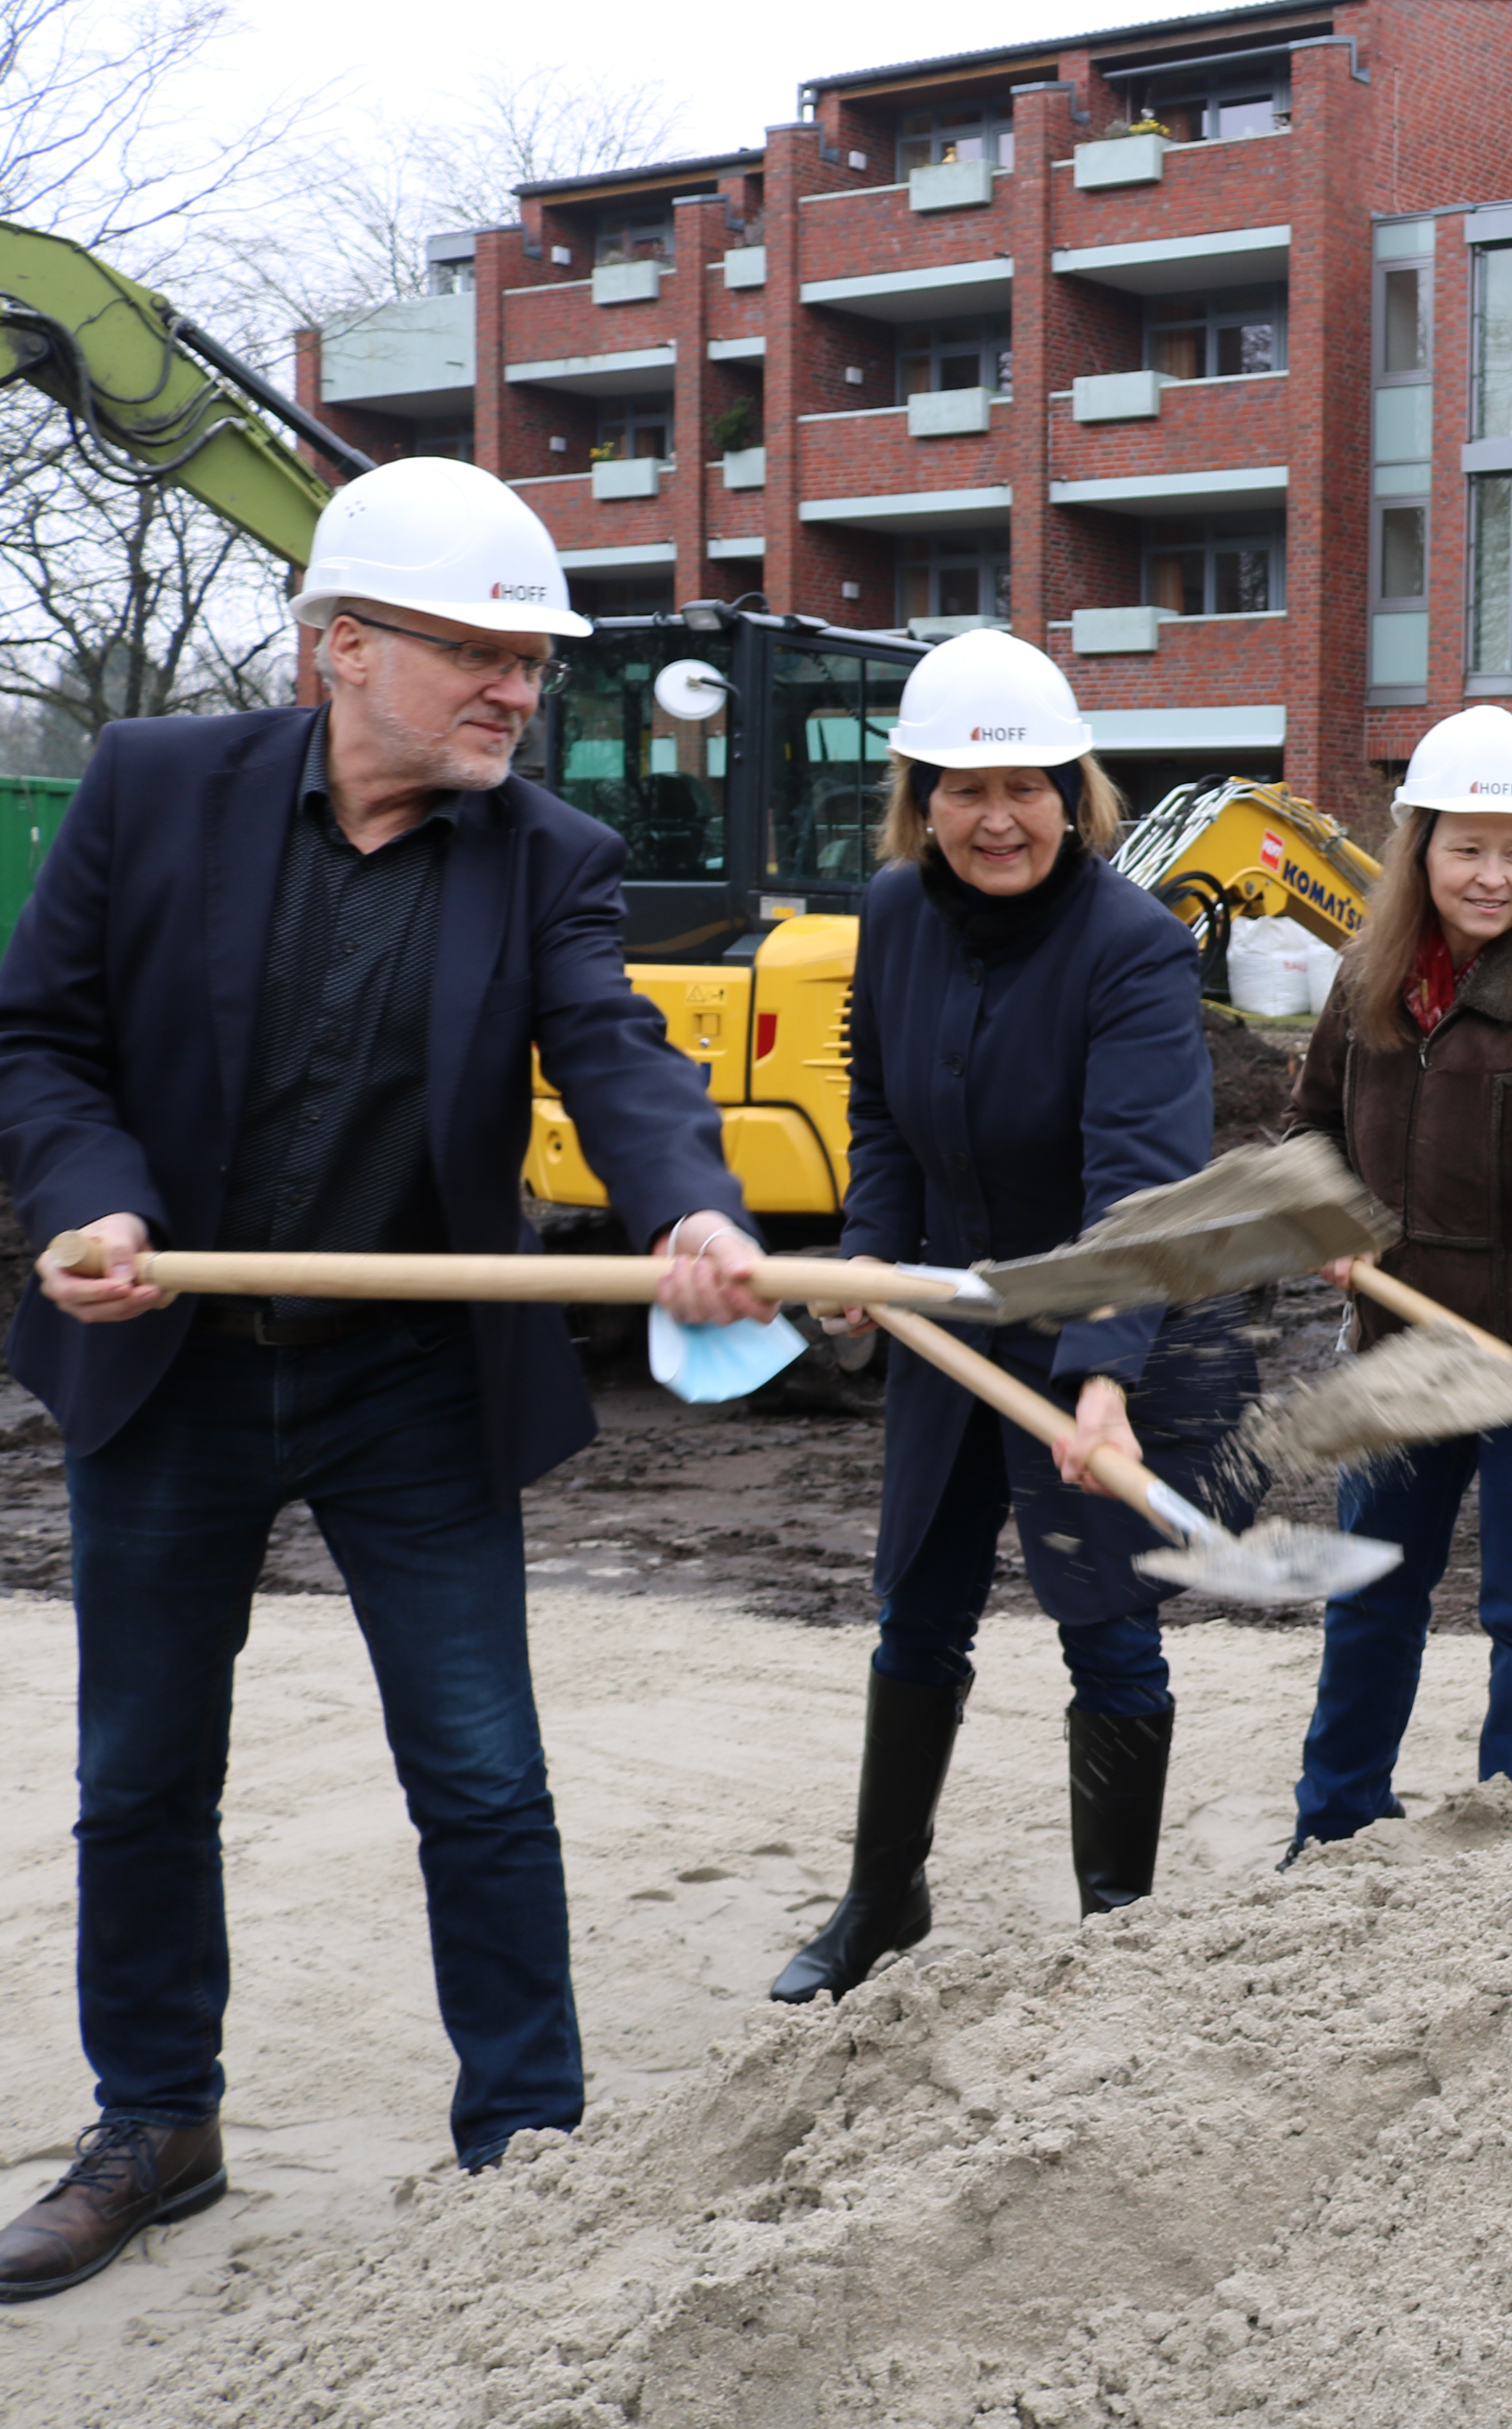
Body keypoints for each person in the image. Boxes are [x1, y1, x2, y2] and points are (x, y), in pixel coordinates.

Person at [0, 459, 776, 2298]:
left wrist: (695, 1206)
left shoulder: (549, 858)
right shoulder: (150, 792)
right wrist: (95, 1199)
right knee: (139, 1772)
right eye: (479, 652)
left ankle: (527, 2143)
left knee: (482, 1775)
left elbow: (618, 1052)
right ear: (338, 649)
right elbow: (41, 1039)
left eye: (534, 660)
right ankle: (155, 2124)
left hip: (408, 1381)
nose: (519, 688)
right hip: (170, 1362)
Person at [772, 630, 1260, 1999]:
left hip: (1104, 1323)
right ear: (921, 798)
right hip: (943, 1307)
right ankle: (883, 1894)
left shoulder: (1135, 950)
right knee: (915, 1611)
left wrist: (1102, 1369)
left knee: (1107, 1622)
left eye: (1029, 787)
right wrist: (870, 1272)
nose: (1000, 817)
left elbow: (1141, 1186)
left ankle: (1118, 1927)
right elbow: (879, 1119)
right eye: (967, 790)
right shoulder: (892, 915)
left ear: (1074, 791)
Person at [1284, 706, 1512, 1850]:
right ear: (1419, 848)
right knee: (1371, 1592)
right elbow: (1310, 1133)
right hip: (1407, 1350)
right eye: (1467, 848)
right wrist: (1324, 1213)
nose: (1492, 876)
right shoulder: (1366, 984)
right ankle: (1335, 1827)